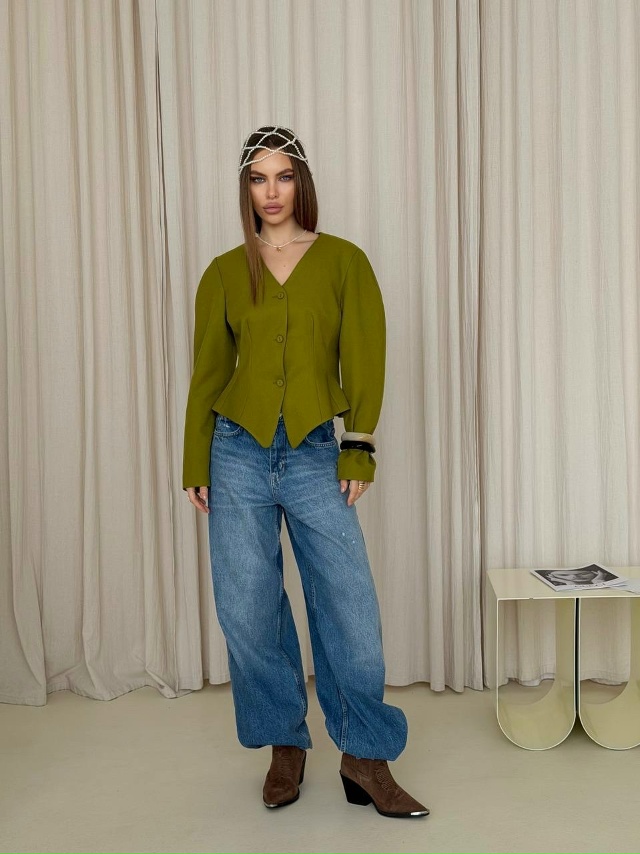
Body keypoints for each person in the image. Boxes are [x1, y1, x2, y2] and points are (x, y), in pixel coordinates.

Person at [182, 125, 428, 819]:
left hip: (317, 451)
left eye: (283, 176)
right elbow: (207, 375)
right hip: (236, 452)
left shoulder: (344, 261)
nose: (271, 192)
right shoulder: (224, 273)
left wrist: (360, 447)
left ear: (301, 183)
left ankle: (366, 756)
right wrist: (195, 461)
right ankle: (284, 744)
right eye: (258, 179)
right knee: (247, 608)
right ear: (246, 189)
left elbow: (366, 356)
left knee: (348, 603)